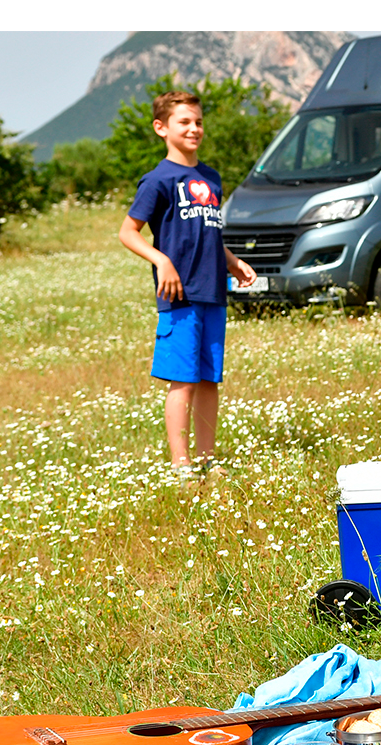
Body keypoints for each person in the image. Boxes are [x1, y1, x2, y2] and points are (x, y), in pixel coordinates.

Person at [119, 90, 257, 483]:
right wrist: (161, 260)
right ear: (161, 128)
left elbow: (208, 232)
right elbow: (128, 232)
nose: (194, 128)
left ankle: (207, 459)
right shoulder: (158, 180)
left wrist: (233, 262)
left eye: (198, 121)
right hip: (178, 296)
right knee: (183, 381)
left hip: (213, 291)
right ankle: (181, 467)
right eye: (184, 122)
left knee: (209, 379)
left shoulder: (210, 177)